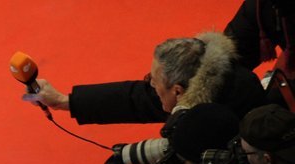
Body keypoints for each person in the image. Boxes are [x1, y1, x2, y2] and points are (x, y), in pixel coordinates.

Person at [24, 32, 265, 127]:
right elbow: (137, 99)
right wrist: (65, 101)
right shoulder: (201, 83)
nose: (150, 85)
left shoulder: (213, 124)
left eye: (153, 80)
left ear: (178, 91)